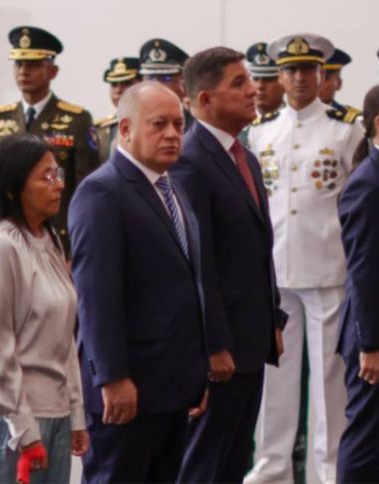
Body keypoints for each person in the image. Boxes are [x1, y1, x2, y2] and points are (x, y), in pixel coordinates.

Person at [69, 82, 206, 483]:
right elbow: (97, 296)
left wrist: (196, 373)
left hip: (172, 385)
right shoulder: (102, 192)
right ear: (125, 129)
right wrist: (112, 378)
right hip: (127, 389)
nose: (172, 134)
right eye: (159, 124)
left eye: (179, 125)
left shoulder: (171, 187)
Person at [245, 33, 362, 484]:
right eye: (290, 70)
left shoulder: (345, 128)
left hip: (328, 265)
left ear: (321, 75)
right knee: (276, 376)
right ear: (279, 75)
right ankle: (272, 468)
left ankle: (327, 469)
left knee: (329, 380)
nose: (298, 78)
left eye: (307, 70)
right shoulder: (261, 131)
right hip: (275, 270)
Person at [170, 46, 287, 483]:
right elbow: (198, 265)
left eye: (249, 81)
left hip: (251, 338)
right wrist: (214, 343)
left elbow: (257, 248)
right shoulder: (190, 161)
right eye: (237, 84)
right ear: (205, 100)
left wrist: (272, 315)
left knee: (235, 459)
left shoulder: (245, 157)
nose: (253, 90)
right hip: (220, 349)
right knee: (205, 462)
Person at [0, 133, 87, 484]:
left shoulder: (48, 239)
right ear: (12, 189)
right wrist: (24, 428)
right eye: (45, 177)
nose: (58, 186)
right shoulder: (0, 245)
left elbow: (64, 339)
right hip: (10, 421)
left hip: (55, 414)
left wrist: (76, 414)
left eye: (58, 175)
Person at [0, 26, 100, 253]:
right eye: (19, 64)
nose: (24, 71)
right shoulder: (0, 118)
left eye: (33, 64)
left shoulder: (76, 119)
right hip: (8, 234)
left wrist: (74, 246)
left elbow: (84, 187)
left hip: (56, 234)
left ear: (53, 72)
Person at [337, 84, 379, 482]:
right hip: (372, 338)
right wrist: (370, 345)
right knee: (366, 436)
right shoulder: (367, 184)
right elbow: (364, 272)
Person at [139, 38, 194, 130]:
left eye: (165, 78)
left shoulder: (195, 125)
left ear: (184, 85)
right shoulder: (132, 122)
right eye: (150, 78)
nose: (156, 84)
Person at [96, 57, 141, 158]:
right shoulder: (102, 130)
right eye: (114, 84)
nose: (119, 90)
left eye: (127, 83)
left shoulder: (154, 123)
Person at [246, 42, 286, 116]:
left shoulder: (296, 120)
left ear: (284, 85)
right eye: (256, 79)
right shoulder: (240, 123)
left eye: (268, 79)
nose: (260, 86)